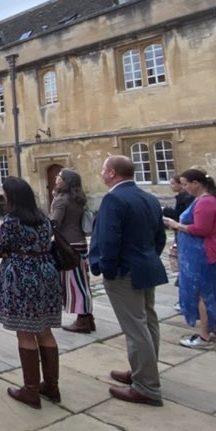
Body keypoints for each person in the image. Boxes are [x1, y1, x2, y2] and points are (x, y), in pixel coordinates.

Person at [89, 155, 168, 407]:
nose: (102, 173)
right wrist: (148, 257)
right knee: (148, 320)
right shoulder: (149, 197)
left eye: (103, 169)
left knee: (136, 326)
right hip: (147, 265)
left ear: (112, 173)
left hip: (125, 270)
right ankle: (143, 371)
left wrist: (107, 268)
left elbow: (109, 239)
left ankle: (146, 386)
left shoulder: (114, 198)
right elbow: (160, 237)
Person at [0, 176, 63, 408]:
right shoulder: (43, 218)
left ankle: (31, 390)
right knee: (45, 330)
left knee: (25, 332)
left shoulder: (12, 221)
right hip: (47, 273)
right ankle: (52, 386)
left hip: (24, 277)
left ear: (11, 197)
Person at [163, 169, 216, 348]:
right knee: (214, 292)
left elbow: (201, 229)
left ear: (196, 183)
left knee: (203, 293)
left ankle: (204, 336)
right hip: (207, 252)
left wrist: (176, 224)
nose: (184, 188)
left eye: (185, 184)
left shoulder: (205, 202)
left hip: (204, 254)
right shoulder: (204, 200)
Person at [50, 169, 94, 333]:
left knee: (74, 284)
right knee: (83, 282)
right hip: (80, 243)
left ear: (65, 181)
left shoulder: (62, 199)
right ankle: (88, 317)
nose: (56, 178)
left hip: (68, 245)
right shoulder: (78, 198)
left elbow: (55, 222)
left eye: (59, 177)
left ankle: (82, 320)